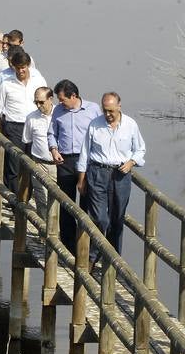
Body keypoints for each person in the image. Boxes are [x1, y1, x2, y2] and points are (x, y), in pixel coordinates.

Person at [77, 91, 146, 267]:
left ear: (119, 107)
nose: (107, 115)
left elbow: (140, 150)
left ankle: (112, 260)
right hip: (97, 173)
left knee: (117, 219)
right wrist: (81, 179)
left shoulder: (130, 125)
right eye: (105, 110)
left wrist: (131, 162)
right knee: (100, 218)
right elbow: (85, 153)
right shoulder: (95, 125)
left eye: (111, 111)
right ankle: (93, 257)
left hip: (120, 175)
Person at [0, 50, 47, 194]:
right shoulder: (6, 83)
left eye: (23, 67)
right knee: (13, 165)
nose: (21, 70)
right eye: (18, 68)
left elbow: (47, 101)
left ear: (28, 65)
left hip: (34, 126)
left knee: (32, 165)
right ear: (13, 67)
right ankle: (14, 201)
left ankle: (26, 198)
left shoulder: (38, 79)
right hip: (14, 126)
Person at [47, 79, 101, 254]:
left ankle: (86, 247)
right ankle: (68, 248)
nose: (60, 102)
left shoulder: (93, 110)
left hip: (87, 160)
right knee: (66, 204)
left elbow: (100, 135)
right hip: (65, 160)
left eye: (62, 99)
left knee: (87, 203)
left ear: (74, 96)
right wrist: (54, 149)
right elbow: (51, 133)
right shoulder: (58, 111)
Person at [22, 87, 57, 220]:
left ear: (50, 99)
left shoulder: (60, 115)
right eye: (36, 102)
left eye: (41, 102)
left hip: (57, 165)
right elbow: (27, 139)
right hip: (39, 163)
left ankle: (56, 234)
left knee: (57, 200)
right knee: (41, 198)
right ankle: (43, 234)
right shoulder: (31, 118)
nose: (38, 105)